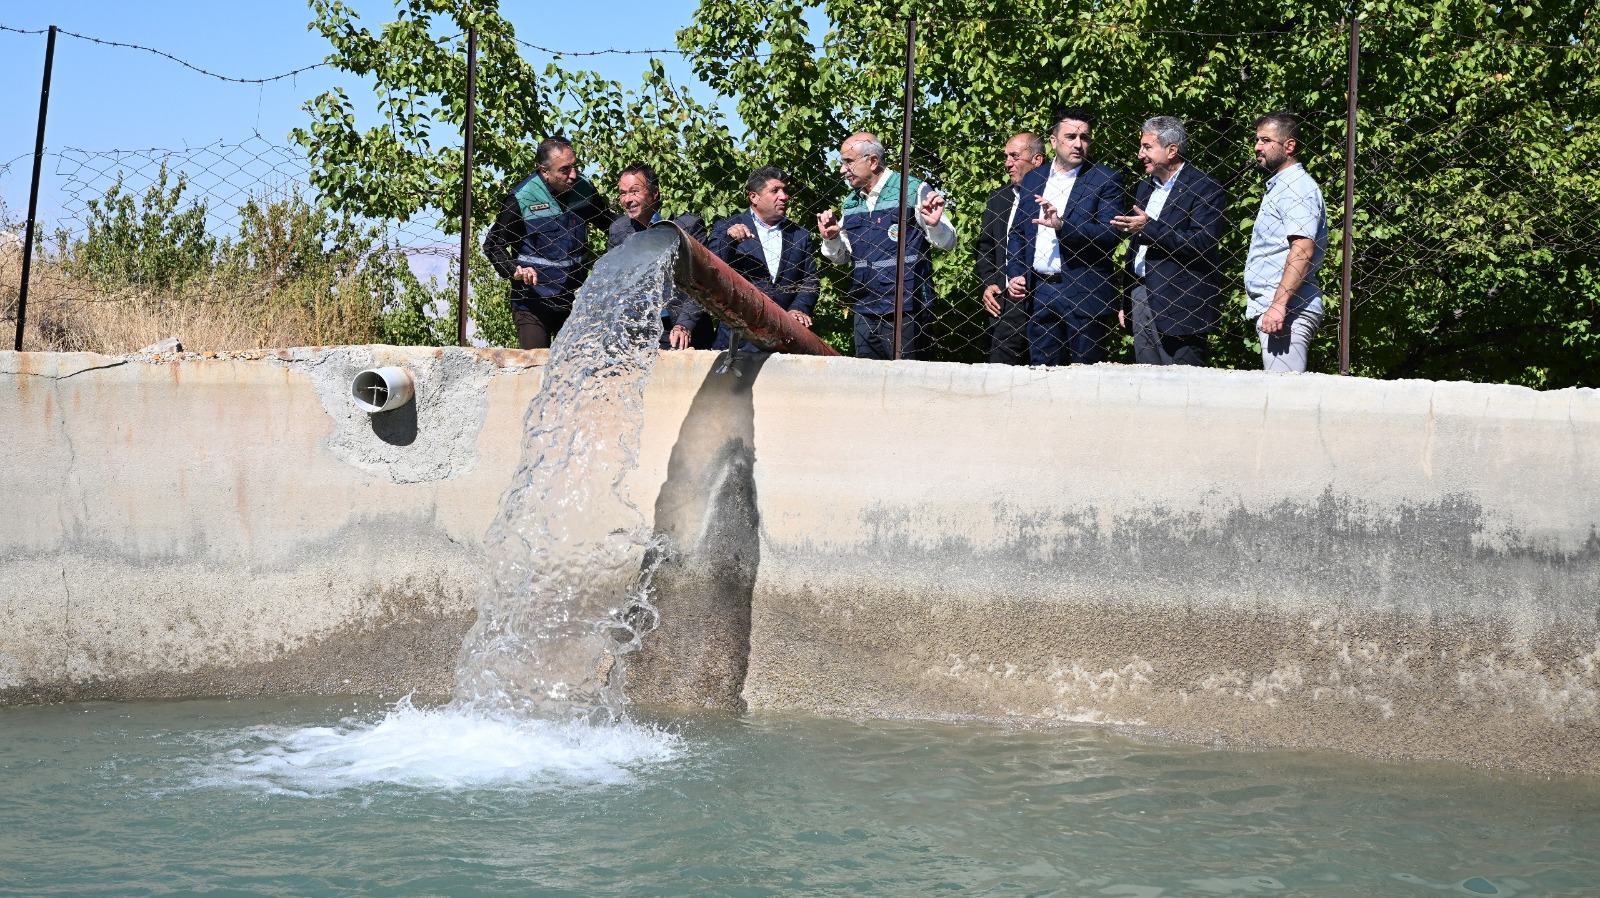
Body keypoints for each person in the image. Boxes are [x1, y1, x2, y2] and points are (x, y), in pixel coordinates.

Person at [818, 132, 957, 360]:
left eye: (848, 162)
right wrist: (831, 238)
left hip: (907, 307)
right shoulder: (851, 202)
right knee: (869, 381)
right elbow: (842, 258)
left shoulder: (912, 189)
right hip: (865, 306)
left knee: (906, 381)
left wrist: (933, 225)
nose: (842, 170)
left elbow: (949, 241)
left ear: (872, 161)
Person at [1006, 107, 1126, 366]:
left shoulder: (1105, 179)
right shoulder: (1034, 178)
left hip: (1084, 292)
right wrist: (1015, 272)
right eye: (1071, 137)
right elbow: (1017, 231)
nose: (1079, 144)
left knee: (1087, 376)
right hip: (1039, 291)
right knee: (1042, 373)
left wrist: (1063, 226)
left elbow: (1110, 235)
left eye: (1085, 138)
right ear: (1053, 141)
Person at [1110, 116, 1226, 366]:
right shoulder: (1146, 188)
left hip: (1181, 302)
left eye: (1147, 147)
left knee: (1184, 387)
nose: (1140, 154)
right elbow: (1136, 250)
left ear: (1172, 150)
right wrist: (1127, 302)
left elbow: (1202, 242)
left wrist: (1149, 227)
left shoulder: (1204, 188)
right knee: (1147, 383)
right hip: (1141, 296)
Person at [483, 136, 612, 350]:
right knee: (536, 367)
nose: (573, 175)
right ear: (544, 171)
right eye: (565, 170)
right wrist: (514, 270)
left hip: (575, 301)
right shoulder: (522, 198)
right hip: (533, 302)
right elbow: (493, 244)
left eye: (575, 167)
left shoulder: (584, 189)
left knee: (573, 370)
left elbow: (610, 225)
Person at [677, 166, 819, 353]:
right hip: (739, 338)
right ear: (754, 197)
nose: (784, 196)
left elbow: (810, 280)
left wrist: (798, 309)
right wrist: (729, 241)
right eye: (775, 190)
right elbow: (709, 271)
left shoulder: (800, 235)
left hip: (786, 339)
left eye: (785, 190)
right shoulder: (727, 227)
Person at [1244, 111, 1328, 372]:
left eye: (1266, 140)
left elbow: (1303, 249)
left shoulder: (1296, 188)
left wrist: (1278, 305)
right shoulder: (1281, 187)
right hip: (1281, 309)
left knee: (1286, 399)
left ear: (1289, 146)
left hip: (1289, 311)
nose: (1258, 147)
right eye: (1257, 140)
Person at [605, 162, 712, 350]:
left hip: (685, 326)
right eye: (622, 193)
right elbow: (615, 284)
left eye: (634, 191)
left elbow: (703, 281)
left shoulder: (686, 226)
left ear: (654, 193)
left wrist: (684, 324)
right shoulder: (619, 231)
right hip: (640, 330)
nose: (627, 199)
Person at [977, 133, 1046, 365]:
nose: (1008, 163)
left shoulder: (1054, 197)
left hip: (1043, 300)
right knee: (1000, 369)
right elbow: (985, 247)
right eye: (1006, 157)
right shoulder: (999, 198)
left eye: (1015, 157)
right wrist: (988, 282)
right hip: (1005, 305)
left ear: (1037, 160)